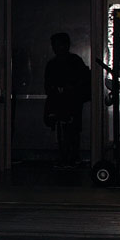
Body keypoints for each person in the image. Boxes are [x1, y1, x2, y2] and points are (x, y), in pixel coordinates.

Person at [43, 32, 92, 167]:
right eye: (55, 45)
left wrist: (69, 89)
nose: (56, 48)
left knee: (72, 130)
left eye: (59, 45)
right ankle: (66, 156)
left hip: (72, 102)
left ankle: (71, 156)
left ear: (66, 45)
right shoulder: (56, 64)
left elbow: (83, 81)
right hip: (62, 102)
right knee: (63, 129)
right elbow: (48, 85)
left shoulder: (72, 62)